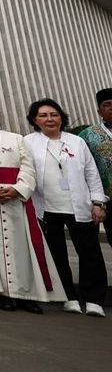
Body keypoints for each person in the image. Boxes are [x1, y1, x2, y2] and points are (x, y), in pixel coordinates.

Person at [0, 99, 65, 312]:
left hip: (15, 200)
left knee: (21, 246)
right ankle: (1, 293)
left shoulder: (17, 138)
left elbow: (28, 168)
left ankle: (25, 294)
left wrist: (18, 189)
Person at [24, 98, 107, 317]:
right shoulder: (28, 142)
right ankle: (68, 296)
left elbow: (91, 172)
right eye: (43, 115)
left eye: (54, 114)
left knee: (90, 253)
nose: (49, 119)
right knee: (56, 253)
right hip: (46, 207)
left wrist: (98, 202)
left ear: (62, 117)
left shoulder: (77, 141)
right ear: (34, 120)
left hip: (79, 205)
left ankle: (93, 299)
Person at [77, 88, 112, 252]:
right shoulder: (86, 136)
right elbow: (84, 171)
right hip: (108, 201)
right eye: (107, 104)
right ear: (99, 110)